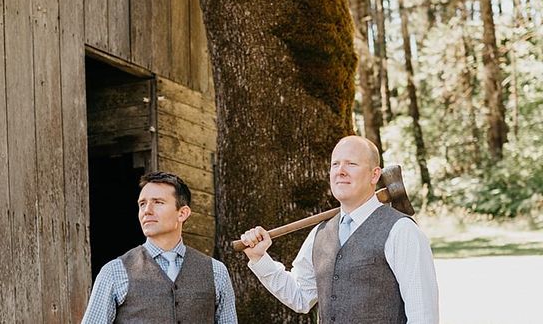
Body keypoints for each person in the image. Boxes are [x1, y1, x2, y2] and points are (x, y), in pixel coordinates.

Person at [239, 135, 439, 323]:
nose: (340, 170)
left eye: (351, 163)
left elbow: (423, 315)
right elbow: (300, 296)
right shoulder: (320, 234)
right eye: (335, 164)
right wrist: (259, 258)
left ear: (374, 175)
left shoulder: (401, 231)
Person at [81, 171, 237, 323]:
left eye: (158, 202)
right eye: (142, 204)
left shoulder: (217, 271)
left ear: (182, 213)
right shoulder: (114, 271)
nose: (147, 211)